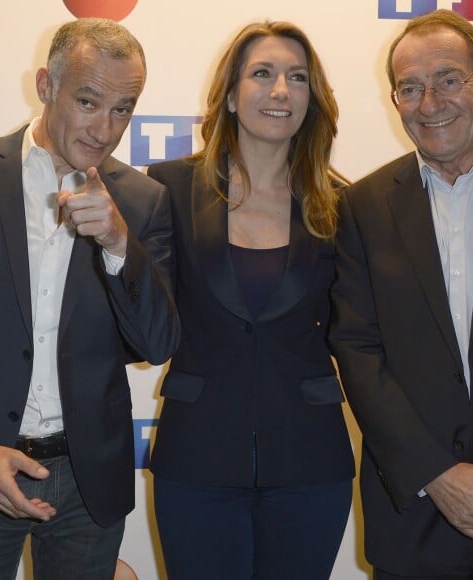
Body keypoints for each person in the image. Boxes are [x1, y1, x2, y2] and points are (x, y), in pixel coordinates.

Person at [329, 8, 473, 580]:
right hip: (417, 511)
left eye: (448, 79)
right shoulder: (363, 206)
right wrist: (436, 473)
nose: (429, 103)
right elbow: (358, 349)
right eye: (409, 87)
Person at [147, 20, 355, 580]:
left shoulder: (342, 205)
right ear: (232, 97)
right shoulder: (167, 187)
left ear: (313, 100)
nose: (281, 90)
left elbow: (362, 336)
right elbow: (146, 320)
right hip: (196, 462)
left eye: (297, 78)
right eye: (262, 74)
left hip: (311, 466)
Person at [0, 18, 179, 579]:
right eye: (89, 101)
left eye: (123, 108)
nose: (104, 128)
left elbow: (157, 343)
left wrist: (120, 244)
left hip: (86, 477)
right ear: (46, 86)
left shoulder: (143, 202)